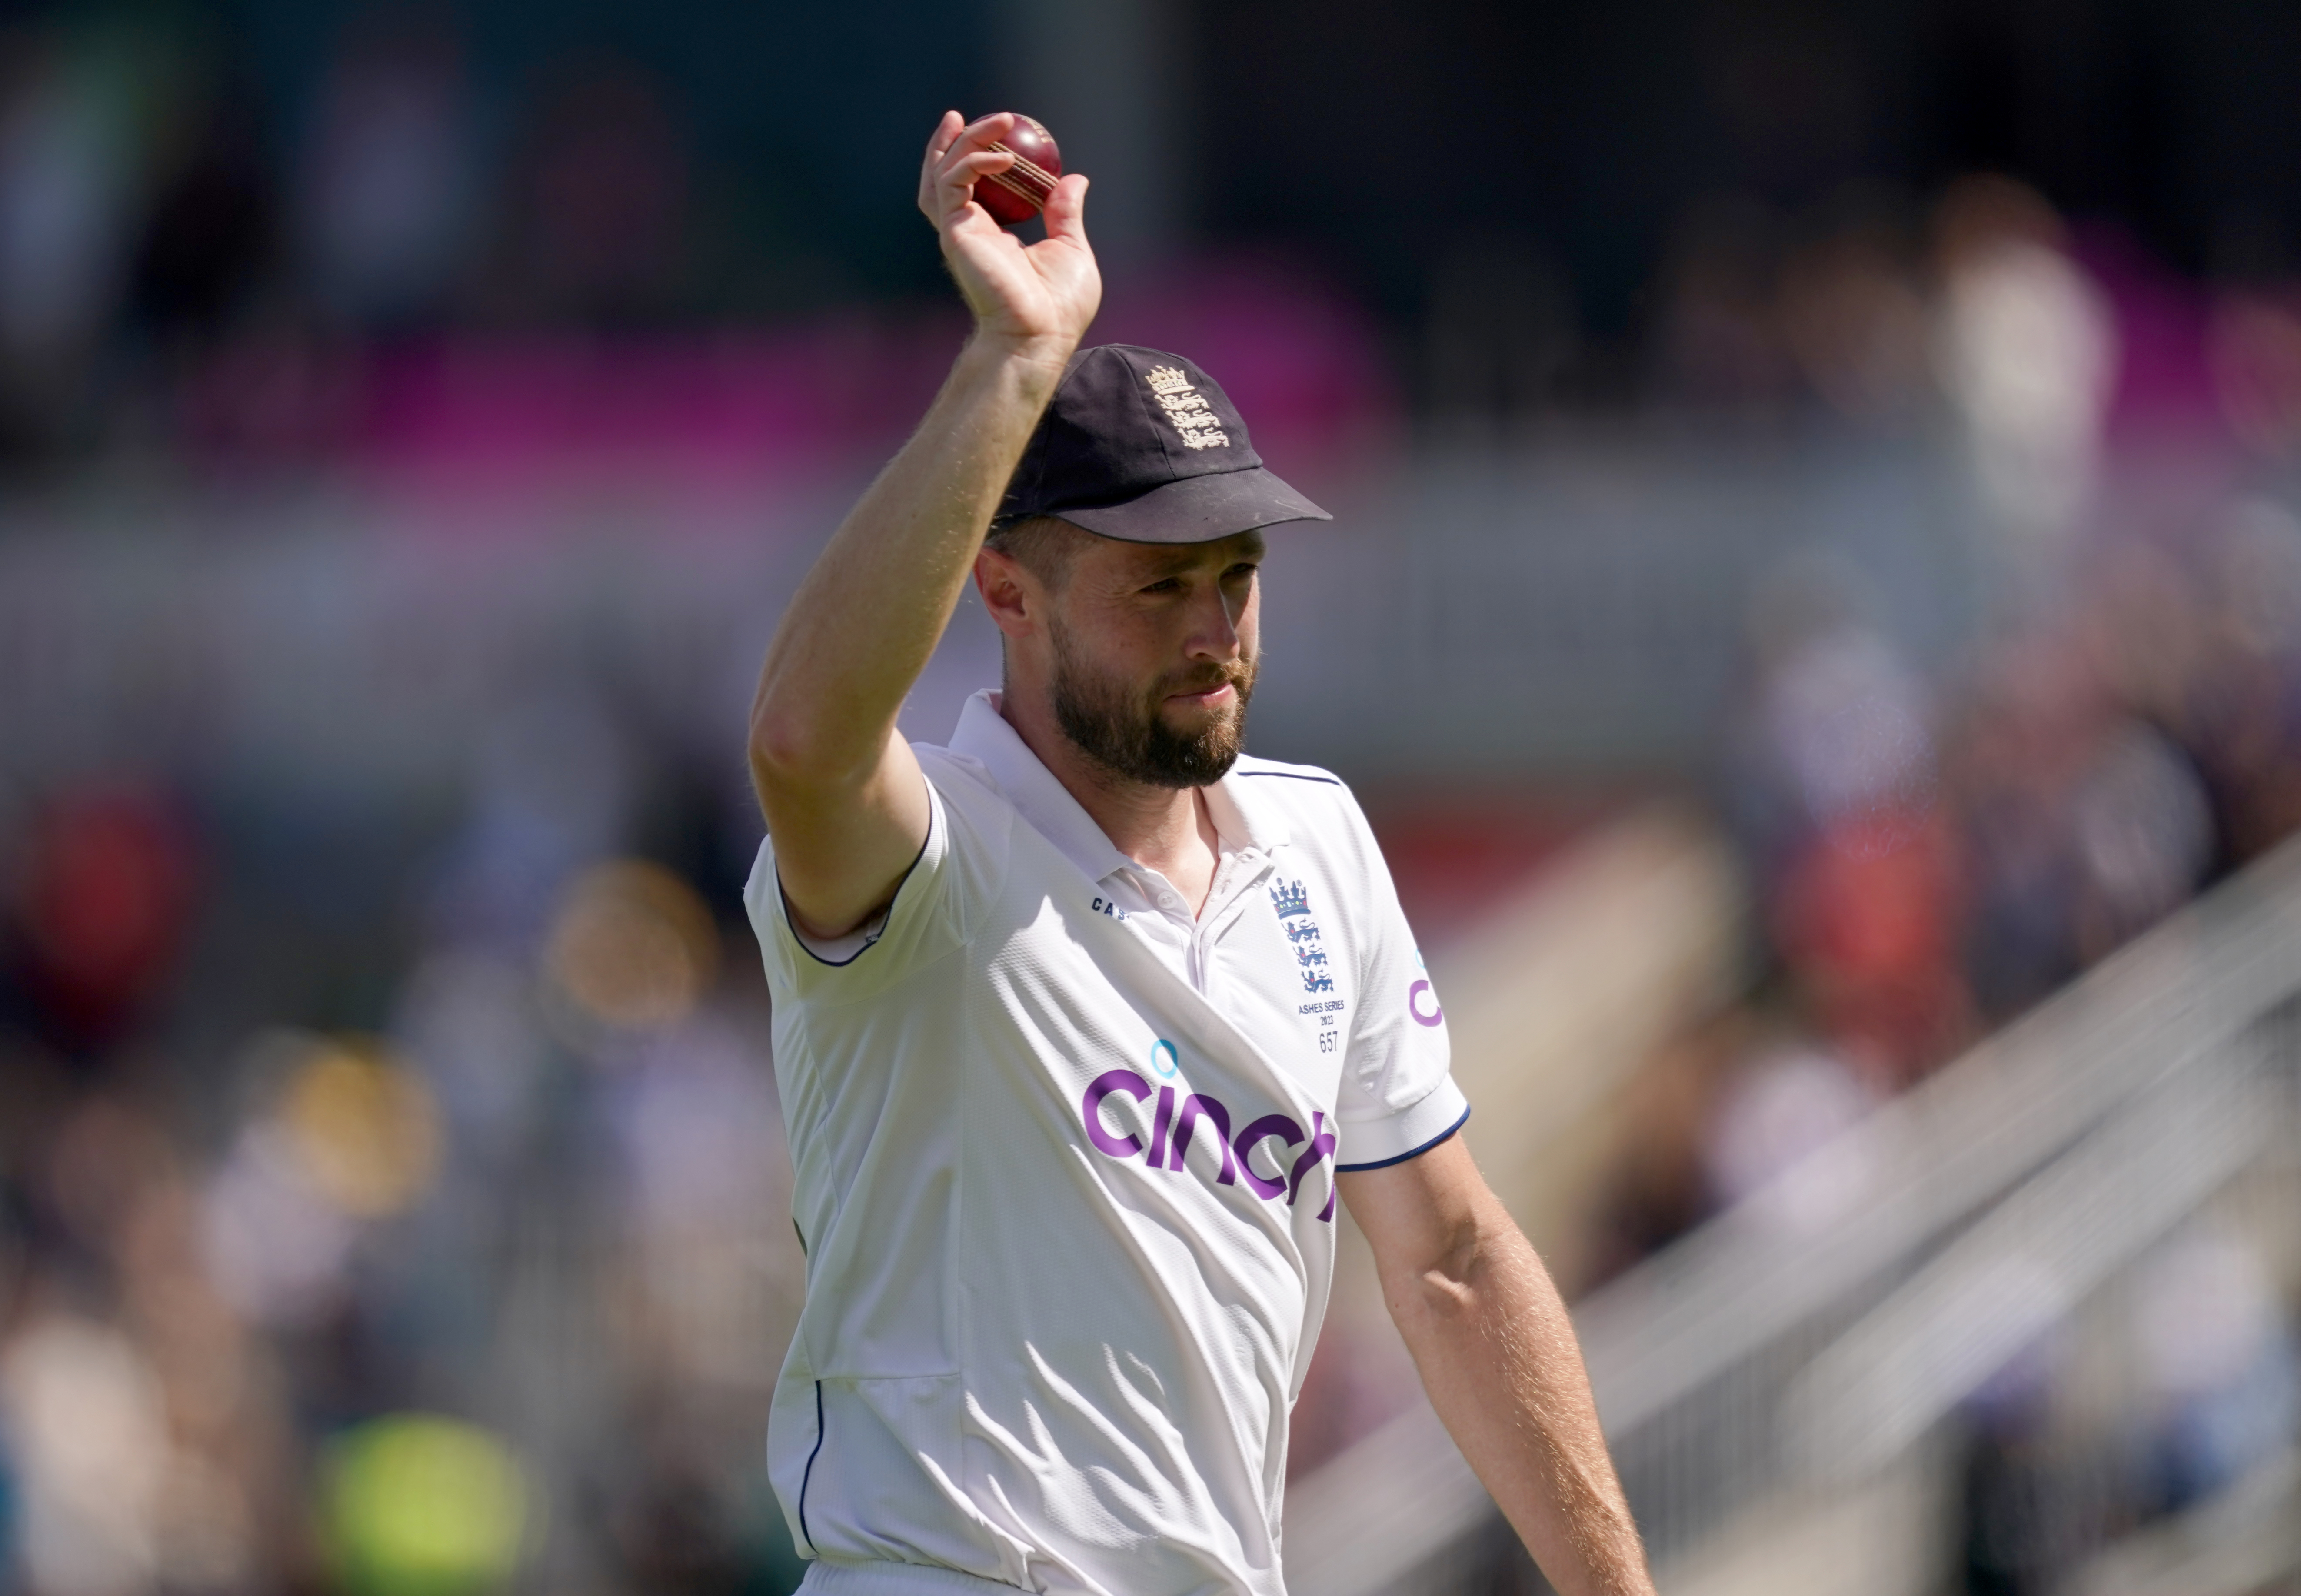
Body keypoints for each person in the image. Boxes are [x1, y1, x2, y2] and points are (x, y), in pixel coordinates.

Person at [743, 110, 1653, 1596]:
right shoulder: (934, 859)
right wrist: (1015, 359)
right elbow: (799, 742)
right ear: (1007, 587)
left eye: (1238, 576)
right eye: (1159, 582)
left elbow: (1451, 1259)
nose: (1216, 628)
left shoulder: (1320, 843)